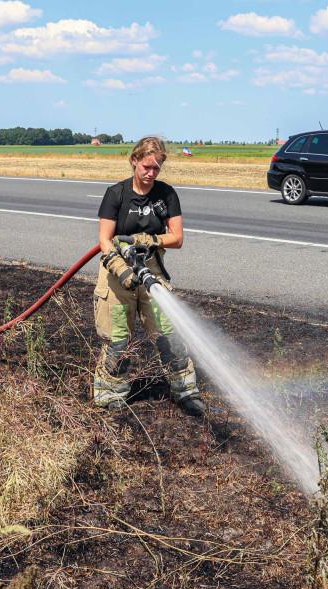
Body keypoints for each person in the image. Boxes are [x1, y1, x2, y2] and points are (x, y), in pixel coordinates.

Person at [93, 136, 205, 416]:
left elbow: (177, 238)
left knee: (169, 334)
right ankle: (110, 394)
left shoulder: (166, 195)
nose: (151, 173)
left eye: (157, 168)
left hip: (152, 273)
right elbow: (104, 240)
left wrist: (151, 239)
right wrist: (120, 268)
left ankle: (185, 391)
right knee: (118, 338)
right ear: (134, 161)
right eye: (146, 167)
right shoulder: (116, 194)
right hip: (116, 273)